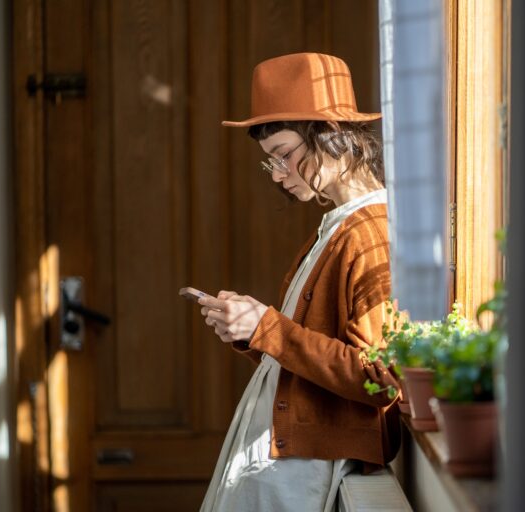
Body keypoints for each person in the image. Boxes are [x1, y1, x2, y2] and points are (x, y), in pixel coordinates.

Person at [197, 52, 400, 512]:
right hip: (288, 461)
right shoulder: (337, 225)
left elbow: (380, 377)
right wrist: (251, 332)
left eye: (284, 155)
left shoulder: (370, 234)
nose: (278, 174)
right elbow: (304, 353)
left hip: (305, 471)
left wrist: (267, 327)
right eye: (270, 162)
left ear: (331, 135)